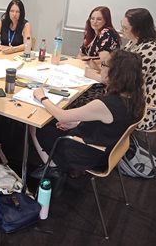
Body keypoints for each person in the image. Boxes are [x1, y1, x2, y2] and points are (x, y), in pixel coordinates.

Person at [30, 49, 145, 185]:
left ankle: (53, 167)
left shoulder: (105, 104)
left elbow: (62, 116)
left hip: (88, 154)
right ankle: (56, 165)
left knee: (36, 125)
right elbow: (108, 124)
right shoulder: (135, 97)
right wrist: (77, 124)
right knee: (54, 122)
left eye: (104, 65)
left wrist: (42, 97)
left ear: (114, 73)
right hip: (106, 148)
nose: (100, 68)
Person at [85, 8, 156, 131]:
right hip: (125, 99)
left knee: (88, 103)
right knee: (89, 99)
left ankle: (84, 131)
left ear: (138, 29)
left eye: (125, 28)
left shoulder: (149, 50)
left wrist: (95, 75)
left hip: (139, 107)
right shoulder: (134, 43)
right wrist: (101, 68)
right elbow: (117, 69)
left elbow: (124, 82)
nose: (122, 31)